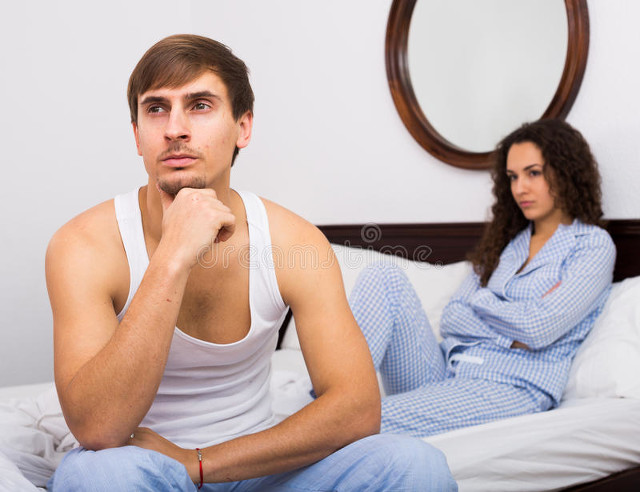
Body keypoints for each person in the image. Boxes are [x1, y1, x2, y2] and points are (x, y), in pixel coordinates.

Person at [45, 34, 456, 491]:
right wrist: (173, 256)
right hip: (137, 468)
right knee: (101, 476)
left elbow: (356, 410)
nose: (175, 128)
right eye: (156, 108)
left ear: (243, 128)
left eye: (200, 105)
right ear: (137, 135)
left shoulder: (292, 241)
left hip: (252, 469)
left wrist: (197, 463)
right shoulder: (82, 245)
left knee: (416, 464)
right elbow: (98, 428)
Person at [349, 119, 616, 437]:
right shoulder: (505, 243)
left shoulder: (592, 245)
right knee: (383, 276)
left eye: (533, 173)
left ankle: (324, 420)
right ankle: (332, 397)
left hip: (510, 384)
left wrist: (482, 300)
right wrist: (512, 331)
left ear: (566, 172)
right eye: (513, 177)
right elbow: (452, 318)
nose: (520, 188)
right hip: (448, 367)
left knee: (362, 422)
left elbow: (538, 329)